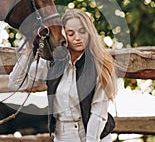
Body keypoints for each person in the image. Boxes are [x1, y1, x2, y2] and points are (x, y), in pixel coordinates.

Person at [9, 9, 117, 142]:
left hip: (94, 136)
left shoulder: (100, 65)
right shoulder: (52, 63)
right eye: (71, 33)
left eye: (82, 32)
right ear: (64, 35)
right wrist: (28, 51)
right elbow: (15, 83)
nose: (77, 37)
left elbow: (98, 114)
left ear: (90, 33)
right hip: (62, 135)